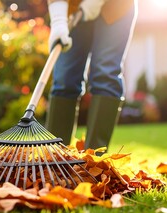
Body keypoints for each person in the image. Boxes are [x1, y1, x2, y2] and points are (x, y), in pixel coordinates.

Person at [45, 0, 138, 151]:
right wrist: (58, 22)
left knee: (105, 73)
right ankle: (55, 157)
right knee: (64, 79)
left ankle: (95, 159)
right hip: (74, 8)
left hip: (117, 7)